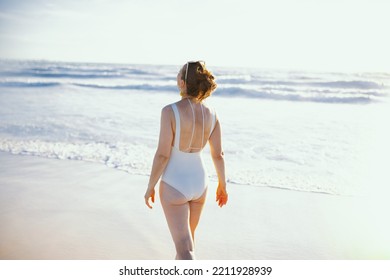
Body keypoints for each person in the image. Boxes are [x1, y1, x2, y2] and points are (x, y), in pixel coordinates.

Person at [144, 61, 228, 260]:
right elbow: (218, 155)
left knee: (184, 249)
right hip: (200, 183)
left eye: (178, 74)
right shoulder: (213, 114)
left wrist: (150, 186)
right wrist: (223, 185)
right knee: (187, 246)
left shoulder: (169, 111)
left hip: (175, 183)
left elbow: (163, 154)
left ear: (182, 82)